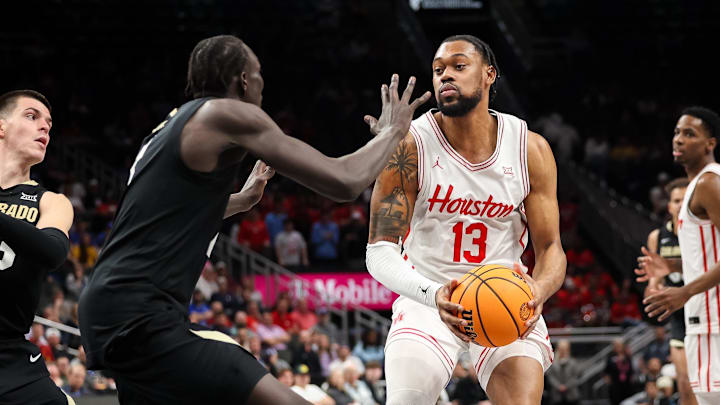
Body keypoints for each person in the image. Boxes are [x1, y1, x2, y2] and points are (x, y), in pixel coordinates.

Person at [78, 34, 430, 404]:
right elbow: (343, 181)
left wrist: (242, 200)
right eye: (259, 74)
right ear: (244, 80)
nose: (263, 84)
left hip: (116, 308)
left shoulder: (172, 126)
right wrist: (394, 132)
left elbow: (168, 213)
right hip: (141, 314)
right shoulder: (226, 113)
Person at [365, 34, 565, 405]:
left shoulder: (529, 148)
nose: (445, 77)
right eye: (438, 70)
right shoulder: (409, 144)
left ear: (489, 75)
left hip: (504, 294)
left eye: (459, 66)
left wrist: (539, 289)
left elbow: (551, 247)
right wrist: (432, 293)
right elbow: (378, 252)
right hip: (428, 297)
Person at [638, 106, 720, 405]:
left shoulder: (710, 183)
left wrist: (684, 291)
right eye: (676, 133)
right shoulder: (697, 188)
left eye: (689, 134)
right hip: (704, 320)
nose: (679, 139)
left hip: (715, 322)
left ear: (710, 143)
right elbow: (708, 259)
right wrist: (670, 266)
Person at [0, 90, 75, 404]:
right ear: (1, 126)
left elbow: (52, 251)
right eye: (32, 116)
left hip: (9, 359)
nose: (45, 127)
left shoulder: (51, 202)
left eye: (49, 122)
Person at [640, 178, 696, 405]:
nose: (681, 204)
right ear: (669, 206)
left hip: (705, 308)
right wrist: (653, 292)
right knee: (684, 381)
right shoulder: (657, 237)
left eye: (685, 200)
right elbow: (653, 282)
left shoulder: (705, 231)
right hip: (678, 316)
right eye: (676, 200)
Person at [546, 340, 582, 405]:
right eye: (561, 349)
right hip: (556, 395)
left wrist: (566, 386)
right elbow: (550, 376)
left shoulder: (573, 362)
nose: (563, 351)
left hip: (571, 395)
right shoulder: (553, 363)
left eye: (565, 349)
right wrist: (559, 386)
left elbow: (576, 376)